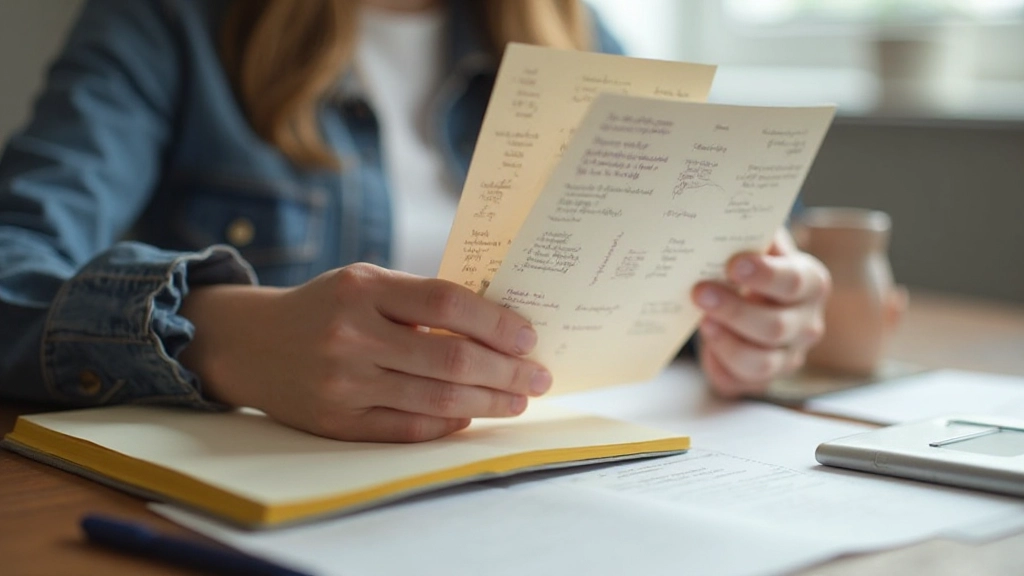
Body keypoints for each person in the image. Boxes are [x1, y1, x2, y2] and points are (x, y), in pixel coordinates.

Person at [0, 0, 830, 442]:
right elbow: (12, 258)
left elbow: (734, 247)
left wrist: (756, 311)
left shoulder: (568, 27)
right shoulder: (167, 20)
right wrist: (216, 335)